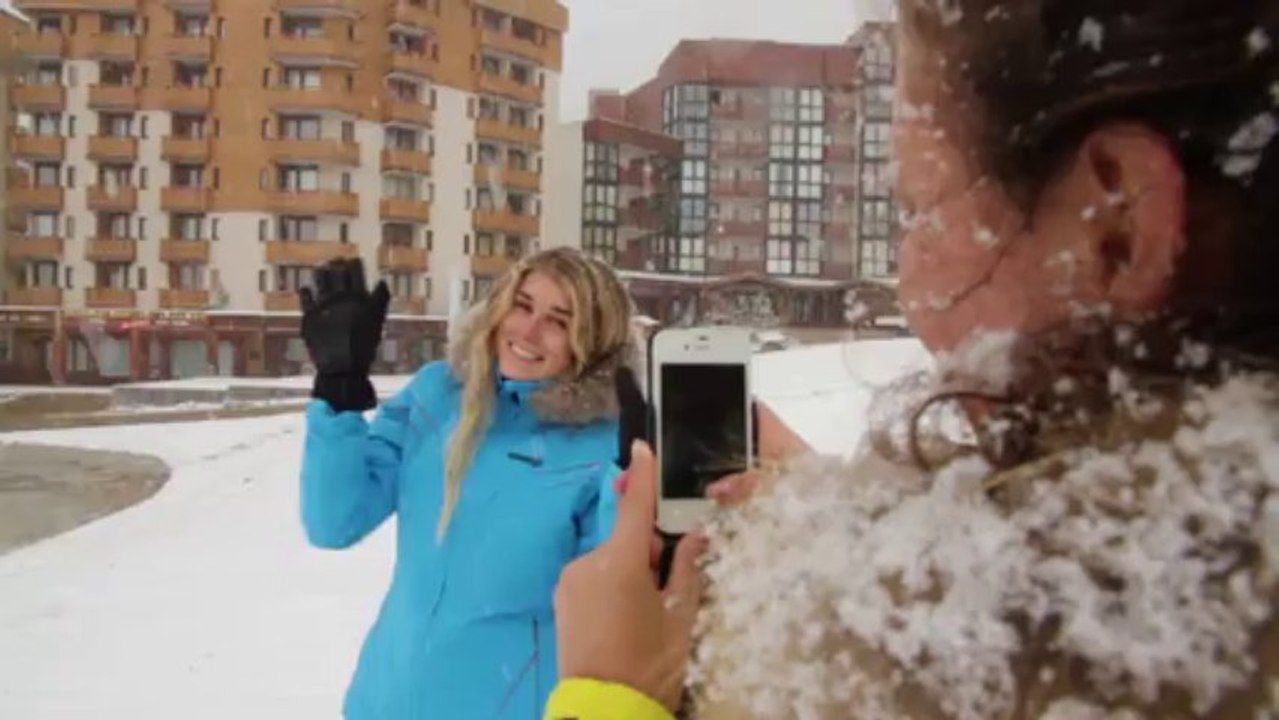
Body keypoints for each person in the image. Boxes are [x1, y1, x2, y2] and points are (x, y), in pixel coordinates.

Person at [545, 0, 1279, 718]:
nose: (911, 287)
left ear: (1111, 226)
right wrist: (837, 524)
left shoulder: (919, 679)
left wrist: (612, 695)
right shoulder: (1196, 624)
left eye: (919, 208)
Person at [297, 248, 638, 719]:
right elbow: (335, 522)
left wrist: (632, 481)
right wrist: (337, 392)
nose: (528, 331)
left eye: (559, 321)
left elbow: (611, 598)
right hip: (384, 701)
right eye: (522, 305)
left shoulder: (604, 445)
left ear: (593, 342)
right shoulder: (438, 394)